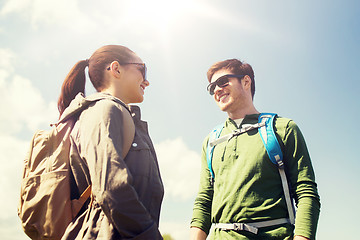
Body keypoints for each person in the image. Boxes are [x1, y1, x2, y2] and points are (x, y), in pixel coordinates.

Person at [190, 59, 320, 240]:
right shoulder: (211, 141)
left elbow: (306, 192)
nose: (217, 90)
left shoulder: (283, 128)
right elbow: (204, 200)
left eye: (222, 82)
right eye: (212, 87)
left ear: (246, 81)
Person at [57, 45, 164, 239]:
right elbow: (110, 186)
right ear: (116, 69)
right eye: (142, 69)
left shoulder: (117, 113)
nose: (146, 81)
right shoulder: (104, 110)